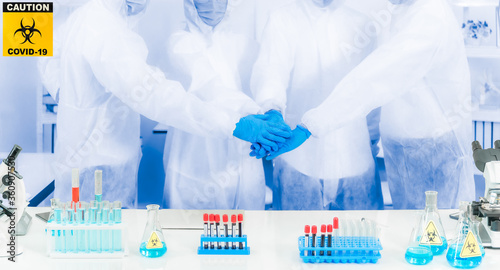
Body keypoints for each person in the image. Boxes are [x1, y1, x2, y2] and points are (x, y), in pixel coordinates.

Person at [38, 0, 290, 208]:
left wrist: (72, 95)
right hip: (98, 170)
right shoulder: (102, 25)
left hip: (100, 164)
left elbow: (52, 54)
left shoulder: (96, 19)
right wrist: (235, 123)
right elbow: (153, 93)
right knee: (95, 249)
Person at [292, 0, 475, 209]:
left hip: (435, 148)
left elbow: (378, 77)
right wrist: (371, 137)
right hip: (402, 149)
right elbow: (384, 92)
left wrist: (312, 124)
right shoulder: (399, 12)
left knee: (441, 230)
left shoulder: (431, 15)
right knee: (408, 230)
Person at [249, 0, 383, 210]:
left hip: (354, 156)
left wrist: (372, 137)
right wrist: (271, 110)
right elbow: (271, 71)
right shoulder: (283, 20)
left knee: (359, 237)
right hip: (300, 158)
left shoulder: (362, 24)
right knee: (295, 238)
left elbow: (373, 91)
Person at [162, 0, 268, 209]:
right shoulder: (180, 43)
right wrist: (256, 114)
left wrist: (270, 111)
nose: (212, 5)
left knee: (246, 230)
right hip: (195, 156)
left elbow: (264, 79)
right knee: (191, 231)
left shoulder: (240, 43)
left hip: (241, 151)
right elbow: (209, 85)